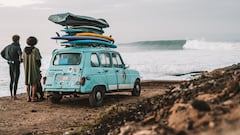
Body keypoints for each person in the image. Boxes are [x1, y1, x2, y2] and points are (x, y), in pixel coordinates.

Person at [1, 35, 22, 100]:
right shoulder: (17, 47)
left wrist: (7, 59)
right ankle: (15, 95)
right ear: (18, 40)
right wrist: (21, 61)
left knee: (11, 79)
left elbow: (1, 53)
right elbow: (20, 56)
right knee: (16, 80)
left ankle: (11, 95)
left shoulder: (8, 46)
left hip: (10, 64)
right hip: (16, 64)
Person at [22, 36, 42, 102]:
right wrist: (39, 66)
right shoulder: (35, 50)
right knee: (34, 83)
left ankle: (28, 97)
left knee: (27, 83)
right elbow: (38, 60)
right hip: (34, 68)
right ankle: (33, 97)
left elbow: (22, 59)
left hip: (26, 68)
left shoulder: (24, 50)